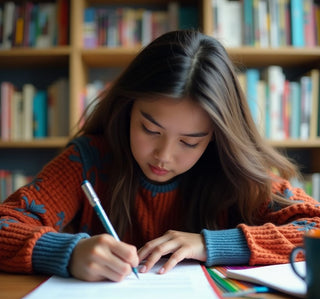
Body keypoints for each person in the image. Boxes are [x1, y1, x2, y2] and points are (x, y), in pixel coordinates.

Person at [1, 30, 319, 282]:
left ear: (215, 138)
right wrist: (69, 252)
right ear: (128, 109)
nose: (163, 155)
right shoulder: (88, 161)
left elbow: (314, 226)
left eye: (189, 142)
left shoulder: (230, 171)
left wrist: (212, 245)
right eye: (150, 130)